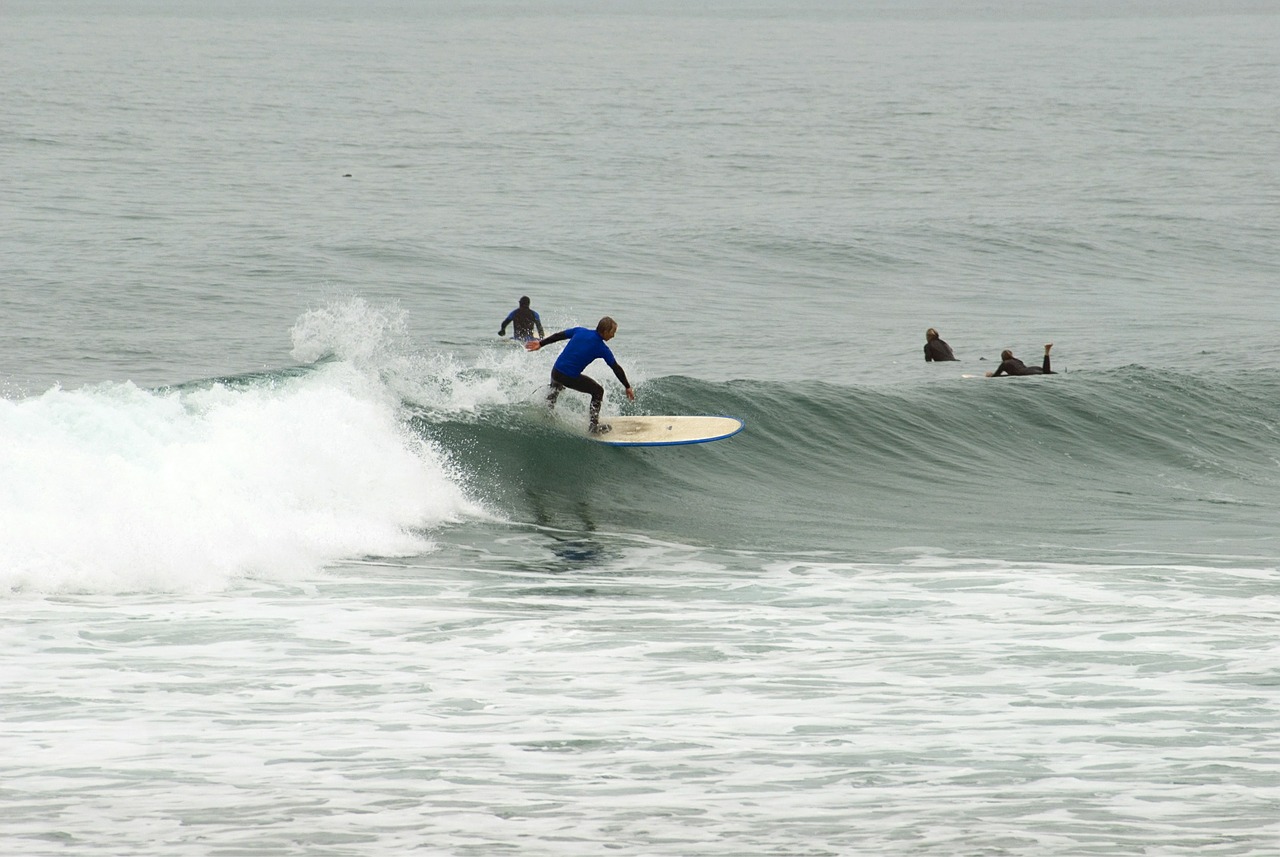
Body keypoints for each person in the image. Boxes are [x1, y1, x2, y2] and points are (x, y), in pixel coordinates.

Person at [525, 316, 635, 434]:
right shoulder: (602, 348)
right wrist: (627, 386)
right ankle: (593, 427)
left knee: (555, 389)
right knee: (598, 391)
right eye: (613, 332)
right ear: (605, 332)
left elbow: (559, 336)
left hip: (556, 371)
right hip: (568, 376)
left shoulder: (579, 331)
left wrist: (541, 344)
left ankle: (547, 416)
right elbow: (616, 368)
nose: (613, 336)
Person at [986, 343, 1055, 377]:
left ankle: (1046, 351)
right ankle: (1047, 351)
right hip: (1032, 368)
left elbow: (996, 375)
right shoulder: (1017, 360)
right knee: (1049, 372)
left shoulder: (1004, 363)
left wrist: (990, 375)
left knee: (1046, 374)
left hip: (1025, 373)